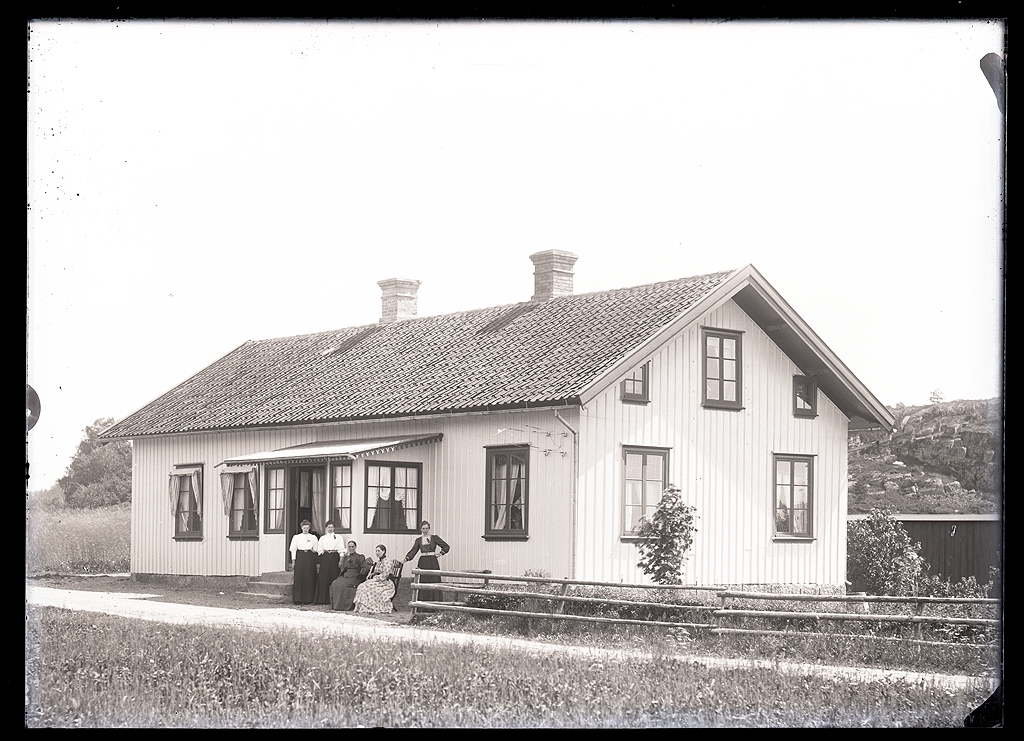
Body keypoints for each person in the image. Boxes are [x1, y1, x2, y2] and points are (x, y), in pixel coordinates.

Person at [404, 520, 450, 604]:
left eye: (426, 528)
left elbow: (446, 546)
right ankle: (423, 604)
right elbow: (413, 551)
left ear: (429, 528)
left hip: (432, 562)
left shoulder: (434, 538)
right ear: (421, 529)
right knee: (423, 581)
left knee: (434, 581)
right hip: (423, 562)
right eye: (423, 528)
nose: (425, 530)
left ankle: (435, 604)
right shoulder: (418, 540)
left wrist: (440, 553)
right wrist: (406, 559)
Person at [353, 545, 401, 614]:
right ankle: (363, 607)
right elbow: (377, 571)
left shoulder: (387, 561)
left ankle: (371, 607)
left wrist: (375, 579)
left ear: (383, 551)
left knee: (368, 587)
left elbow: (385, 575)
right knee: (362, 586)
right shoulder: (379, 561)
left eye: (379, 551)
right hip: (379, 581)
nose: (377, 553)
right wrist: (372, 574)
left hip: (386, 583)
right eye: (376, 551)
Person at [330, 540, 368, 611]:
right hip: (346, 576)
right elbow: (343, 569)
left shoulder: (360, 557)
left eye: (352, 546)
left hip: (355, 577)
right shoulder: (346, 558)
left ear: (355, 547)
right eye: (349, 547)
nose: (351, 548)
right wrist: (342, 574)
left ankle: (344, 606)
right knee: (335, 583)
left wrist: (360, 575)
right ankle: (336, 605)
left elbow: (365, 567)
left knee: (343, 585)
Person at [313, 521, 344, 605]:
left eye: (332, 527)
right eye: (329, 527)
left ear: (334, 528)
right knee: (324, 577)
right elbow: (319, 549)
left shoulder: (338, 537)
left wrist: (341, 560)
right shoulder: (322, 538)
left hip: (335, 557)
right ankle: (323, 599)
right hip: (325, 557)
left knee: (334, 575)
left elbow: (341, 549)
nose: (330, 529)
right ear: (326, 528)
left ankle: (333, 599)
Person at [289, 520, 319, 605]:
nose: (305, 529)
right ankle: (298, 599)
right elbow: (293, 549)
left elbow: (316, 549)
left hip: (309, 557)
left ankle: (309, 599)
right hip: (300, 556)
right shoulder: (297, 537)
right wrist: (293, 561)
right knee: (299, 576)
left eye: (307, 528)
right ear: (301, 528)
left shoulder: (313, 537)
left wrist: (313, 550)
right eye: (304, 528)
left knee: (309, 577)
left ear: (309, 528)